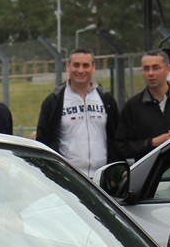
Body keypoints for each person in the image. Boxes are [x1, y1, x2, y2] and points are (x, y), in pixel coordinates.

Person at [35, 48, 119, 179]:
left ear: (93, 67)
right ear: (68, 66)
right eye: (76, 65)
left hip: (102, 177)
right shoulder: (54, 101)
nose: (80, 70)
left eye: (85, 65)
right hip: (69, 178)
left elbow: (117, 138)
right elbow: (43, 140)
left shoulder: (106, 99)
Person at [116, 50, 170, 161]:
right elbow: (122, 146)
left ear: (168, 69)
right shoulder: (133, 106)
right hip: (150, 170)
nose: (150, 73)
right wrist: (152, 143)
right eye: (146, 69)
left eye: (156, 68)